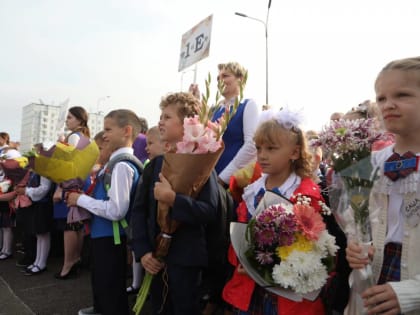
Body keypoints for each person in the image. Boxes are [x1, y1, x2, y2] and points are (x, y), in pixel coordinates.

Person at [222, 109, 327, 315]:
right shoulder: (253, 190)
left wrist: (269, 269)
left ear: (295, 152)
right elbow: (241, 232)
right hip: (250, 289)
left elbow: (313, 248)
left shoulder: (305, 193)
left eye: (271, 148)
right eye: (259, 148)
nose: (262, 155)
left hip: (286, 294)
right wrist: (242, 260)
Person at [131, 92, 219, 315]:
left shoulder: (203, 165)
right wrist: (143, 251)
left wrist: (173, 199)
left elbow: (209, 212)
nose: (160, 121)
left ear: (187, 125)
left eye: (167, 117)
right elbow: (139, 211)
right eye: (161, 116)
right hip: (155, 258)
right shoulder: (154, 165)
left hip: (186, 260)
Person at [346, 56, 420, 315]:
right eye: (381, 98)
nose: (388, 105)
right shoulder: (371, 163)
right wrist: (355, 247)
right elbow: (357, 220)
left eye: (402, 94)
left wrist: (414, 294)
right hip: (374, 281)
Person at [67, 109, 142, 315]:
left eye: (108, 129)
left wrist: (80, 199)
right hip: (105, 234)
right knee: (102, 281)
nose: (104, 134)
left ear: (126, 131)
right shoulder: (115, 164)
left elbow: (117, 210)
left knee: (110, 285)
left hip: (112, 236)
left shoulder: (121, 166)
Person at [53, 106, 91, 279]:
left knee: (70, 225)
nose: (67, 120)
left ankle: (69, 263)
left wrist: (61, 186)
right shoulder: (85, 137)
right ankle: (75, 260)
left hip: (71, 184)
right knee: (77, 224)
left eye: (70, 117)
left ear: (79, 120)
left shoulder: (74, 137)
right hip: (81, 182)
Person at [127, 126, 165, 295]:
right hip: (151, 247)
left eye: (150, 143)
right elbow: (139, 208)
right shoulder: (150, 168)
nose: (146, 148)